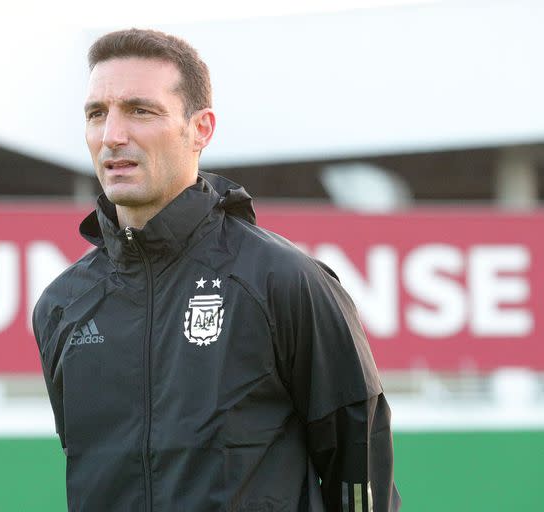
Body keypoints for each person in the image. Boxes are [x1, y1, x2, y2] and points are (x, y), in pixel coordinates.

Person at [33, 28, 401, 511]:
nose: (112, 136)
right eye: (97, 114)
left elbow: (359, 479)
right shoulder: (62, 305)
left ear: (200, 128)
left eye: (141, 111)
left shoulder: (282, 280)